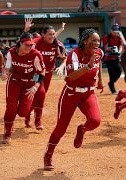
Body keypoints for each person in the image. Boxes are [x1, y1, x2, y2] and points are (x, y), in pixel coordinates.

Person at [43, 29, 104, 170]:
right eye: (93, 40)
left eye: (98, 41)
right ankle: (48, 155)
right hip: (71, 93)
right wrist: (88, 65)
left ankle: (81, 130)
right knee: (61, 128)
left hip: (88, 92)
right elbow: (72, 76)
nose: (96, 43)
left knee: (95, 121)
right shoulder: (74, 54)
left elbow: (98, 63)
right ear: (85, 41)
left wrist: (100, 80)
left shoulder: (98, 52)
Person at [1, 32, 45, 144]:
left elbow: (41, 72)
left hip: (29, 84)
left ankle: (28, 113)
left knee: (22, 112)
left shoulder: (36, 54)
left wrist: (35, 86)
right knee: (11, 107)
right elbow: (7, 68)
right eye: (26, 45)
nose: (29, 47)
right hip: (15, 81)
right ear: (20, 43)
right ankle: (7, 134)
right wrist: (4, 73)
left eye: (31, 45)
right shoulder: (11, 52)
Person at [23, 18, 67, 130]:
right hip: (36, 73)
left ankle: (28, 113)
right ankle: (38, 121)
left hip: (49, 73)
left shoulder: (57, 44)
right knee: (41, 93)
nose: (52, 36)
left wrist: (61, 67)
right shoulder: (36, 43)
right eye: (49, 34)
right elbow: (23, 48)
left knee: (40, 97)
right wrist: (26, 30)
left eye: (53, 34)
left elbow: (64, 58)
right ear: (43, 34)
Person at [101, 24, 124, 94]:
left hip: (116, 58)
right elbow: (105, 48)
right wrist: (112, 49)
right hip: (108, 58)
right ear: (111, 31)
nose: (115, 32)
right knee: (111, 73)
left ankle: (111, 83)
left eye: (117, 31)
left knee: (119, 71)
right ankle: (113, 89)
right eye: (114, 31)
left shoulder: (119, 38)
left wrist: (118, 52)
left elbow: (120, 46)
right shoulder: (106, 38)